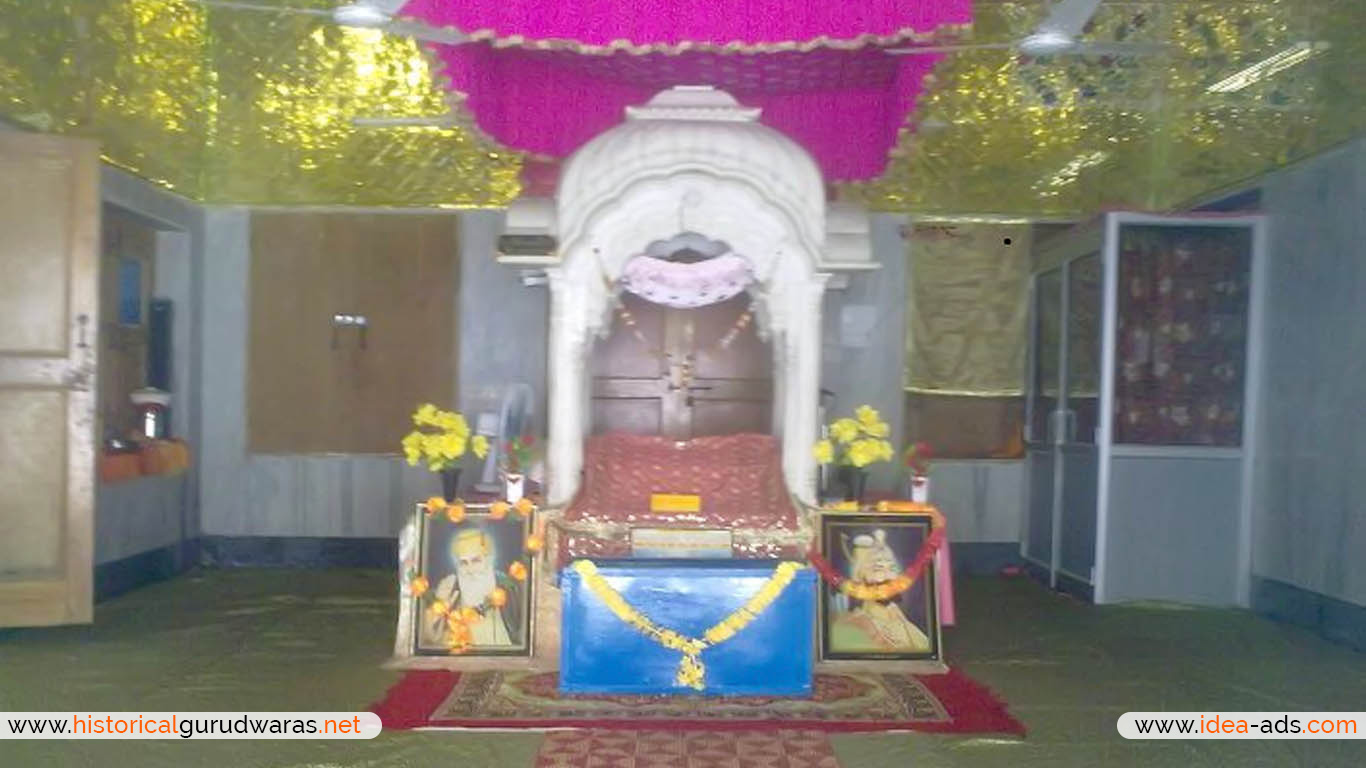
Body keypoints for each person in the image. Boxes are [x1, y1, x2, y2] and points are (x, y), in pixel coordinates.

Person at [830, 529, 930, 652]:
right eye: (878, 569)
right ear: (862, 577)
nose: (887, 575)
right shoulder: (851, 626)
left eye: (891, 568)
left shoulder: (903, 623)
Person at [421, 527, 521, 647]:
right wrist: (439, 605)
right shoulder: (450, 588)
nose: (470, 570)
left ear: (489, 560)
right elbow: (430, 637)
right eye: (463, 563)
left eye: (476, 560)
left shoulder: (509, 587)